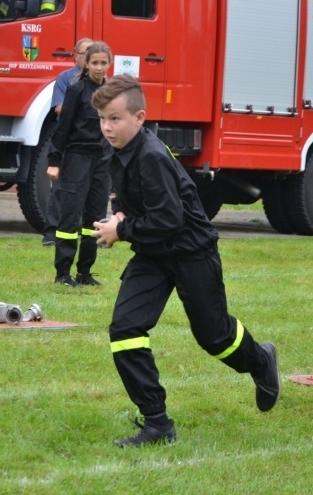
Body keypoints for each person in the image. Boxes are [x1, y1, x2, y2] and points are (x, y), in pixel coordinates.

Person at [91, 74, 280, 447]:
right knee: (125, 329)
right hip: (153, 253)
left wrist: (122, 230)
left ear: (140, 117)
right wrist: (117, 218)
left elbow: (168, 219)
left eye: (115, 118)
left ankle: (261, 361)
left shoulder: (151, 156)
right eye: (102, 119)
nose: (107, 127)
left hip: (191, 252)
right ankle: (158, 424)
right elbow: (132, 205)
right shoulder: (118, 152)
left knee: (215, 337)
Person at [47, 41, 113, 287]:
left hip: (102, 160)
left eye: (103, 63)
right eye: (94, 62)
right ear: (86, 63)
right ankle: (62, 273)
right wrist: (54, 161)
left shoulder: (112, 91)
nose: (98, 67)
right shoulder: (76, 90)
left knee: (95, 218)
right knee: (70, 216)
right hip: (76, 158)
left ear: (109, 64)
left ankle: (85, 272)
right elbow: (62, 128)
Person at [41, 37, 93, 247]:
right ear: (75, 56)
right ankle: (52, 232)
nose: (89, 59)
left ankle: (90, 235)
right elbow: (59, 109)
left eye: (93, 54)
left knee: (94, 190)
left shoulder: (104, 83)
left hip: (95, 143)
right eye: (85, 54)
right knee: (61, 187)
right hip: (71, 140)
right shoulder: (67, 79)